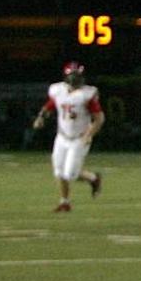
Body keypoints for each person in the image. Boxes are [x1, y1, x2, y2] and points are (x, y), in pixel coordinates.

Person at [32, 60, 104, 212]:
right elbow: (50, 105)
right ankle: (65, 201)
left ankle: (93, 178)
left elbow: (99, 118)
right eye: (73, 76)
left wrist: (89, 134)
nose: (75, 79)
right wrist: (40, 117)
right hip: (62, 136)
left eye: (77, 76)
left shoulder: (87, 94)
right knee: (59, 171)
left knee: (70, 174)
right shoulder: (58, 90)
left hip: (79, 137)